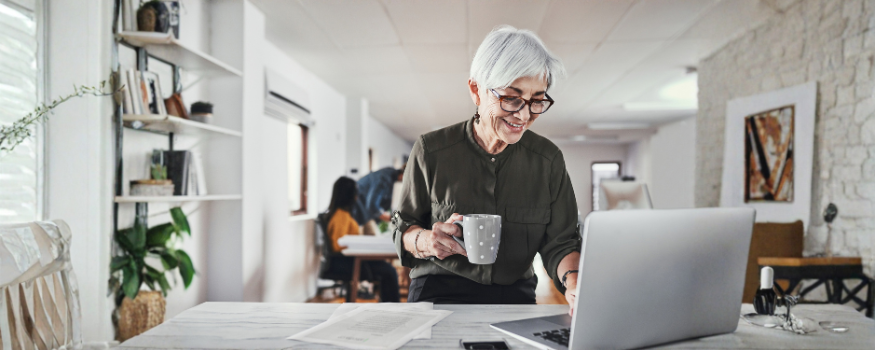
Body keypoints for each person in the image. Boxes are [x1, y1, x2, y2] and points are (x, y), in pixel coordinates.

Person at [391, 25, 581, 315]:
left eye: (536, 100)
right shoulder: (431, 150)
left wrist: (574, 281)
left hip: (514, 296)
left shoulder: (548, 160)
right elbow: (403, 226)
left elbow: (562, 242)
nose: (524, 115)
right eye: (511, 98)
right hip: (438, 292)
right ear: (476, 90)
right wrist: (427, 241)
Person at [326, 177, 400, 302]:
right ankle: (393, 308)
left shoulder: (342, 214)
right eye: (356, 192)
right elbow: (338, 245)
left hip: (348, 260)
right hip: (346, 262)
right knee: (389, 271)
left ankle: (389, 307)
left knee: (387, 269)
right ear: (350, 195)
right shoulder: (341, 217)